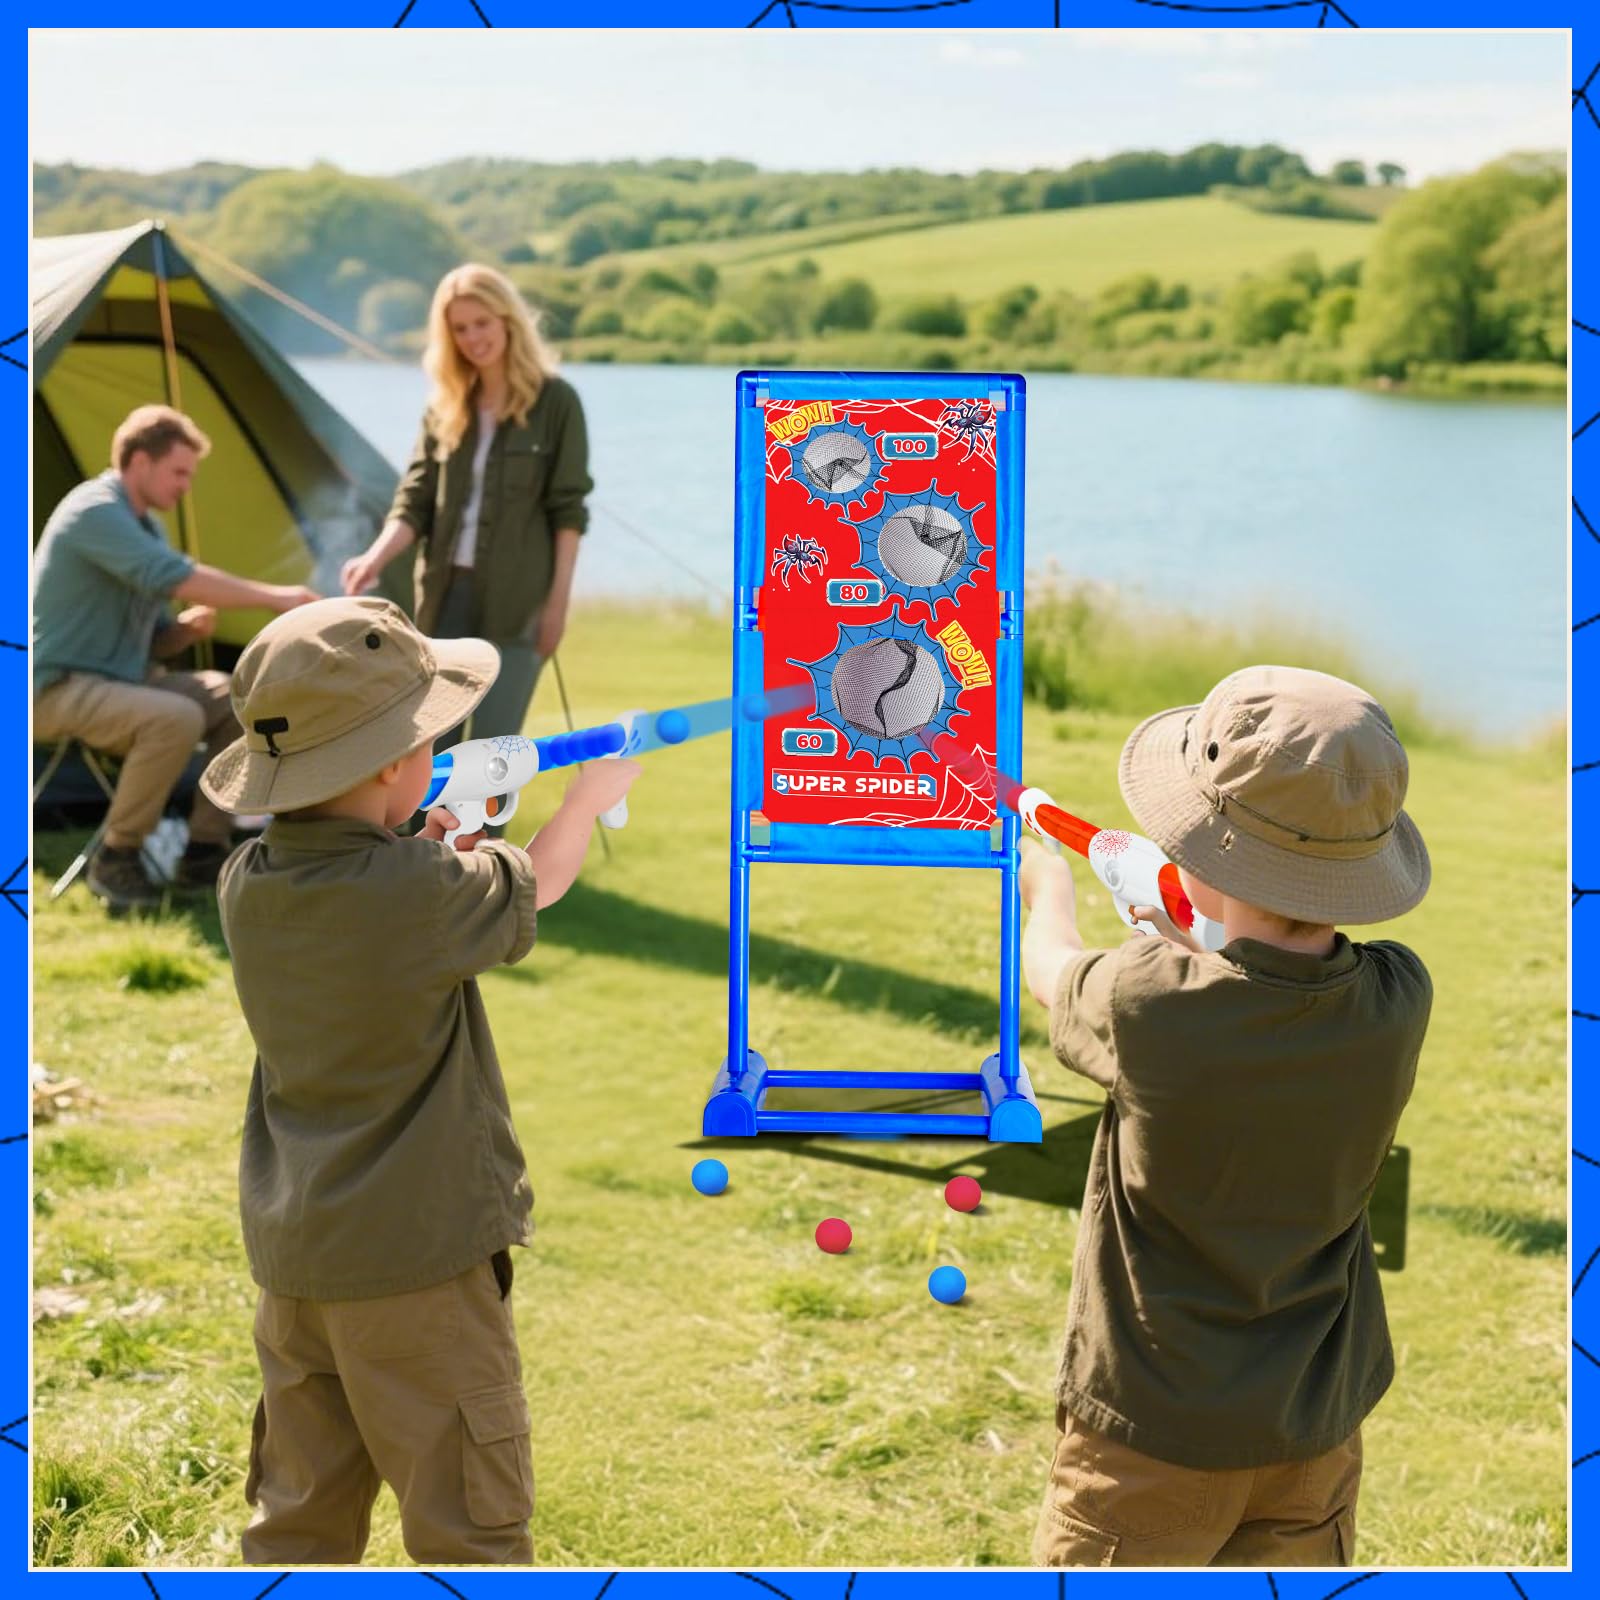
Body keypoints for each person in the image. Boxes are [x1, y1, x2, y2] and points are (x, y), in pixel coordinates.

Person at [199, 595, 638, 1566]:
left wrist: (430, 831)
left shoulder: (248, 884)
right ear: (395, 764)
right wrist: (582, 799)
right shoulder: (417, 894)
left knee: (298, 1520)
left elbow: (372, 888)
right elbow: (541, 881)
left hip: (297, 1260)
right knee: (466, 1527)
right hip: (419, 1267)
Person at [1018, 665, 1433, 1568]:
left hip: (1149, 1435)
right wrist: (1190, 926)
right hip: (1312, 1431)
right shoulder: (1398, 996)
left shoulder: (1146, 1000)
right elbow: (1271, 982)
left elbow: (1050, 971)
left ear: (1207, 847)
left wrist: (1044, 882)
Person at [32, 404, 319, 911]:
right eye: (179, 472)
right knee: (176, 718)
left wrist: (180, 633)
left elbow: (156, 638)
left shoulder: (147, 528)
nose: (187, 485)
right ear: (140, 462)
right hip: (52, 688)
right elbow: (173, 576)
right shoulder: (94, 510)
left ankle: (204, 849)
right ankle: (117, 856)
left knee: (241, 702)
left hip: (124, 681)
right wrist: (275, 597)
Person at [341, 263, 592, 746]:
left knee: (495, 753)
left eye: (482, 323)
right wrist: (374, 558)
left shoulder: (557, 402)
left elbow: (569, 511)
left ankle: (485, 828)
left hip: (519, 603)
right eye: (460, 328)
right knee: (433, 749)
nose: (474, 338)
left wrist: (556, 605)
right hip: (444, 596)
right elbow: (414, 500)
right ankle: (429, 828)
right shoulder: (445, 405)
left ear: (507, 320)